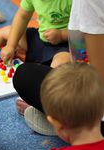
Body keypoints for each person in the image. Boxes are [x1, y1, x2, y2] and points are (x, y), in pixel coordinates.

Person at [13, 0, 104, 136]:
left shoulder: (89, 3)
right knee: (27, 74)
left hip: (96, 109)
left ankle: (76, 126)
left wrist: (57, 104)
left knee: (25, 76)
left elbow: (97, 82)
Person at [0, 0, 72, 68]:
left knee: (62, 64)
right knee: (8, 32)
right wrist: (11, 45)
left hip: (66, 46)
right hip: (42, 39)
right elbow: (22, 16)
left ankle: (44, 95)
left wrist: (62, 35)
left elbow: (86, 31)